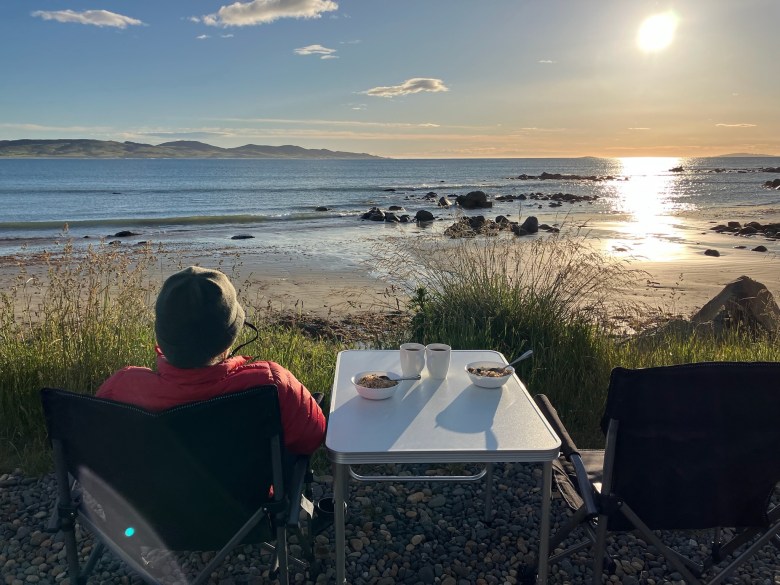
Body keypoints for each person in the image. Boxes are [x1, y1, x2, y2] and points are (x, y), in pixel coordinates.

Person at [97, 266, 326, 455]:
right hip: (249, 507)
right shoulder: (270, 384)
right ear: (230, 337)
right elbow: (312, 437)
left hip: (147, 507)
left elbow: (98, 446)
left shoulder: (121, 388)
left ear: (161, 334)